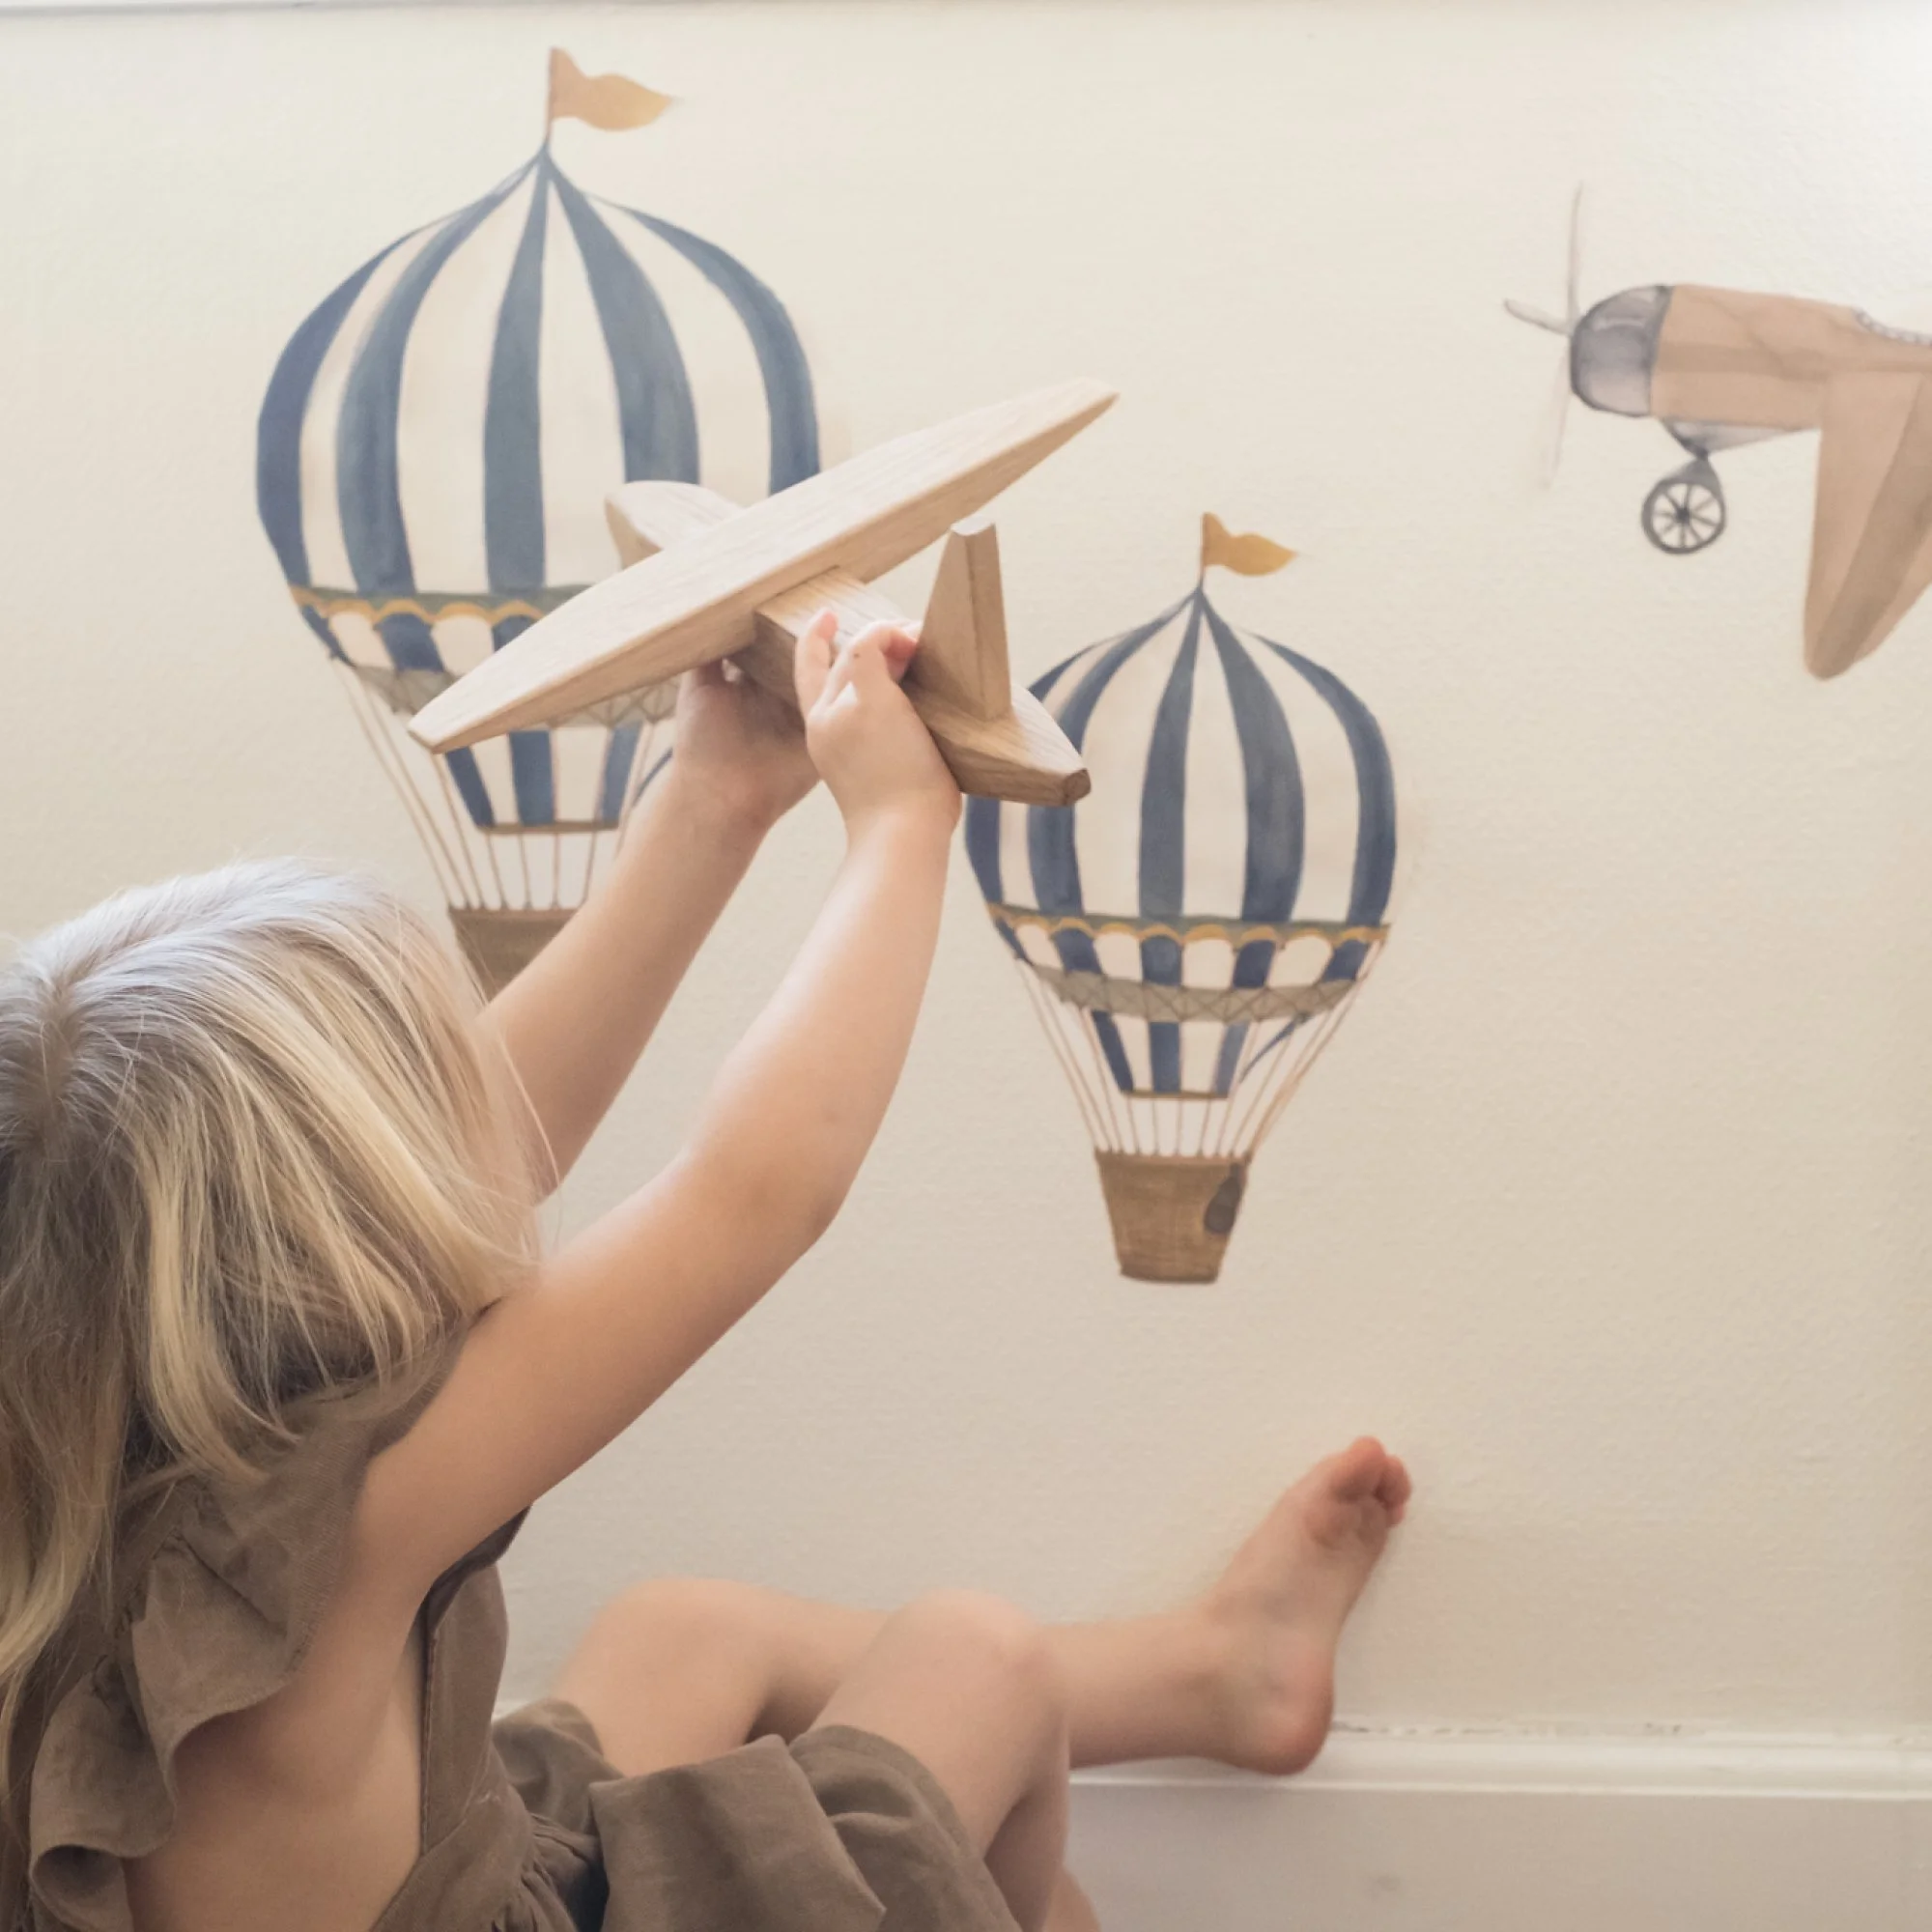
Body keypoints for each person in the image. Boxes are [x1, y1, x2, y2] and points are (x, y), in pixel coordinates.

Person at [0, 611, 1409, 1932]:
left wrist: (715, 801)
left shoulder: (87, 1438)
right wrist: (900, 827)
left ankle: (1215, 1672)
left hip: (464, 1861)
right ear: (354, 1244)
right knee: (979, 1662)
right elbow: (756, 1192)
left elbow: (480, 1138)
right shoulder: (329, 1525)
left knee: (683, 1633)